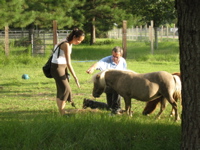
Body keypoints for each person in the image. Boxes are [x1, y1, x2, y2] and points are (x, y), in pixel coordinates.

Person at [51, 28, 85, 115]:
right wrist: (75, 77)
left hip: (62, 67)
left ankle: (61, 111)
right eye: (78, 40)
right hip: (57, 67)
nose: (79, 42)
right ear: (74, 37)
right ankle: (62, 112)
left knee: (61, 90)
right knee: (66, 89)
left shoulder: (69, 42)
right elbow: (69, 62)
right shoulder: (65, 44)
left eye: (81, 41)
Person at [86, 46, 127, 114]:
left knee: (111, 106)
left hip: (118, 85)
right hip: (107, 85)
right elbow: (98, 64)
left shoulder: (123, 61)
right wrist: (92, 68)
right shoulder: (107, 60)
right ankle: (116, 109)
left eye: (116, 57)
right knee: (110, 107)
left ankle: (90, 103)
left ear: (121, 55)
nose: (114, 58)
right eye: (113, 56)